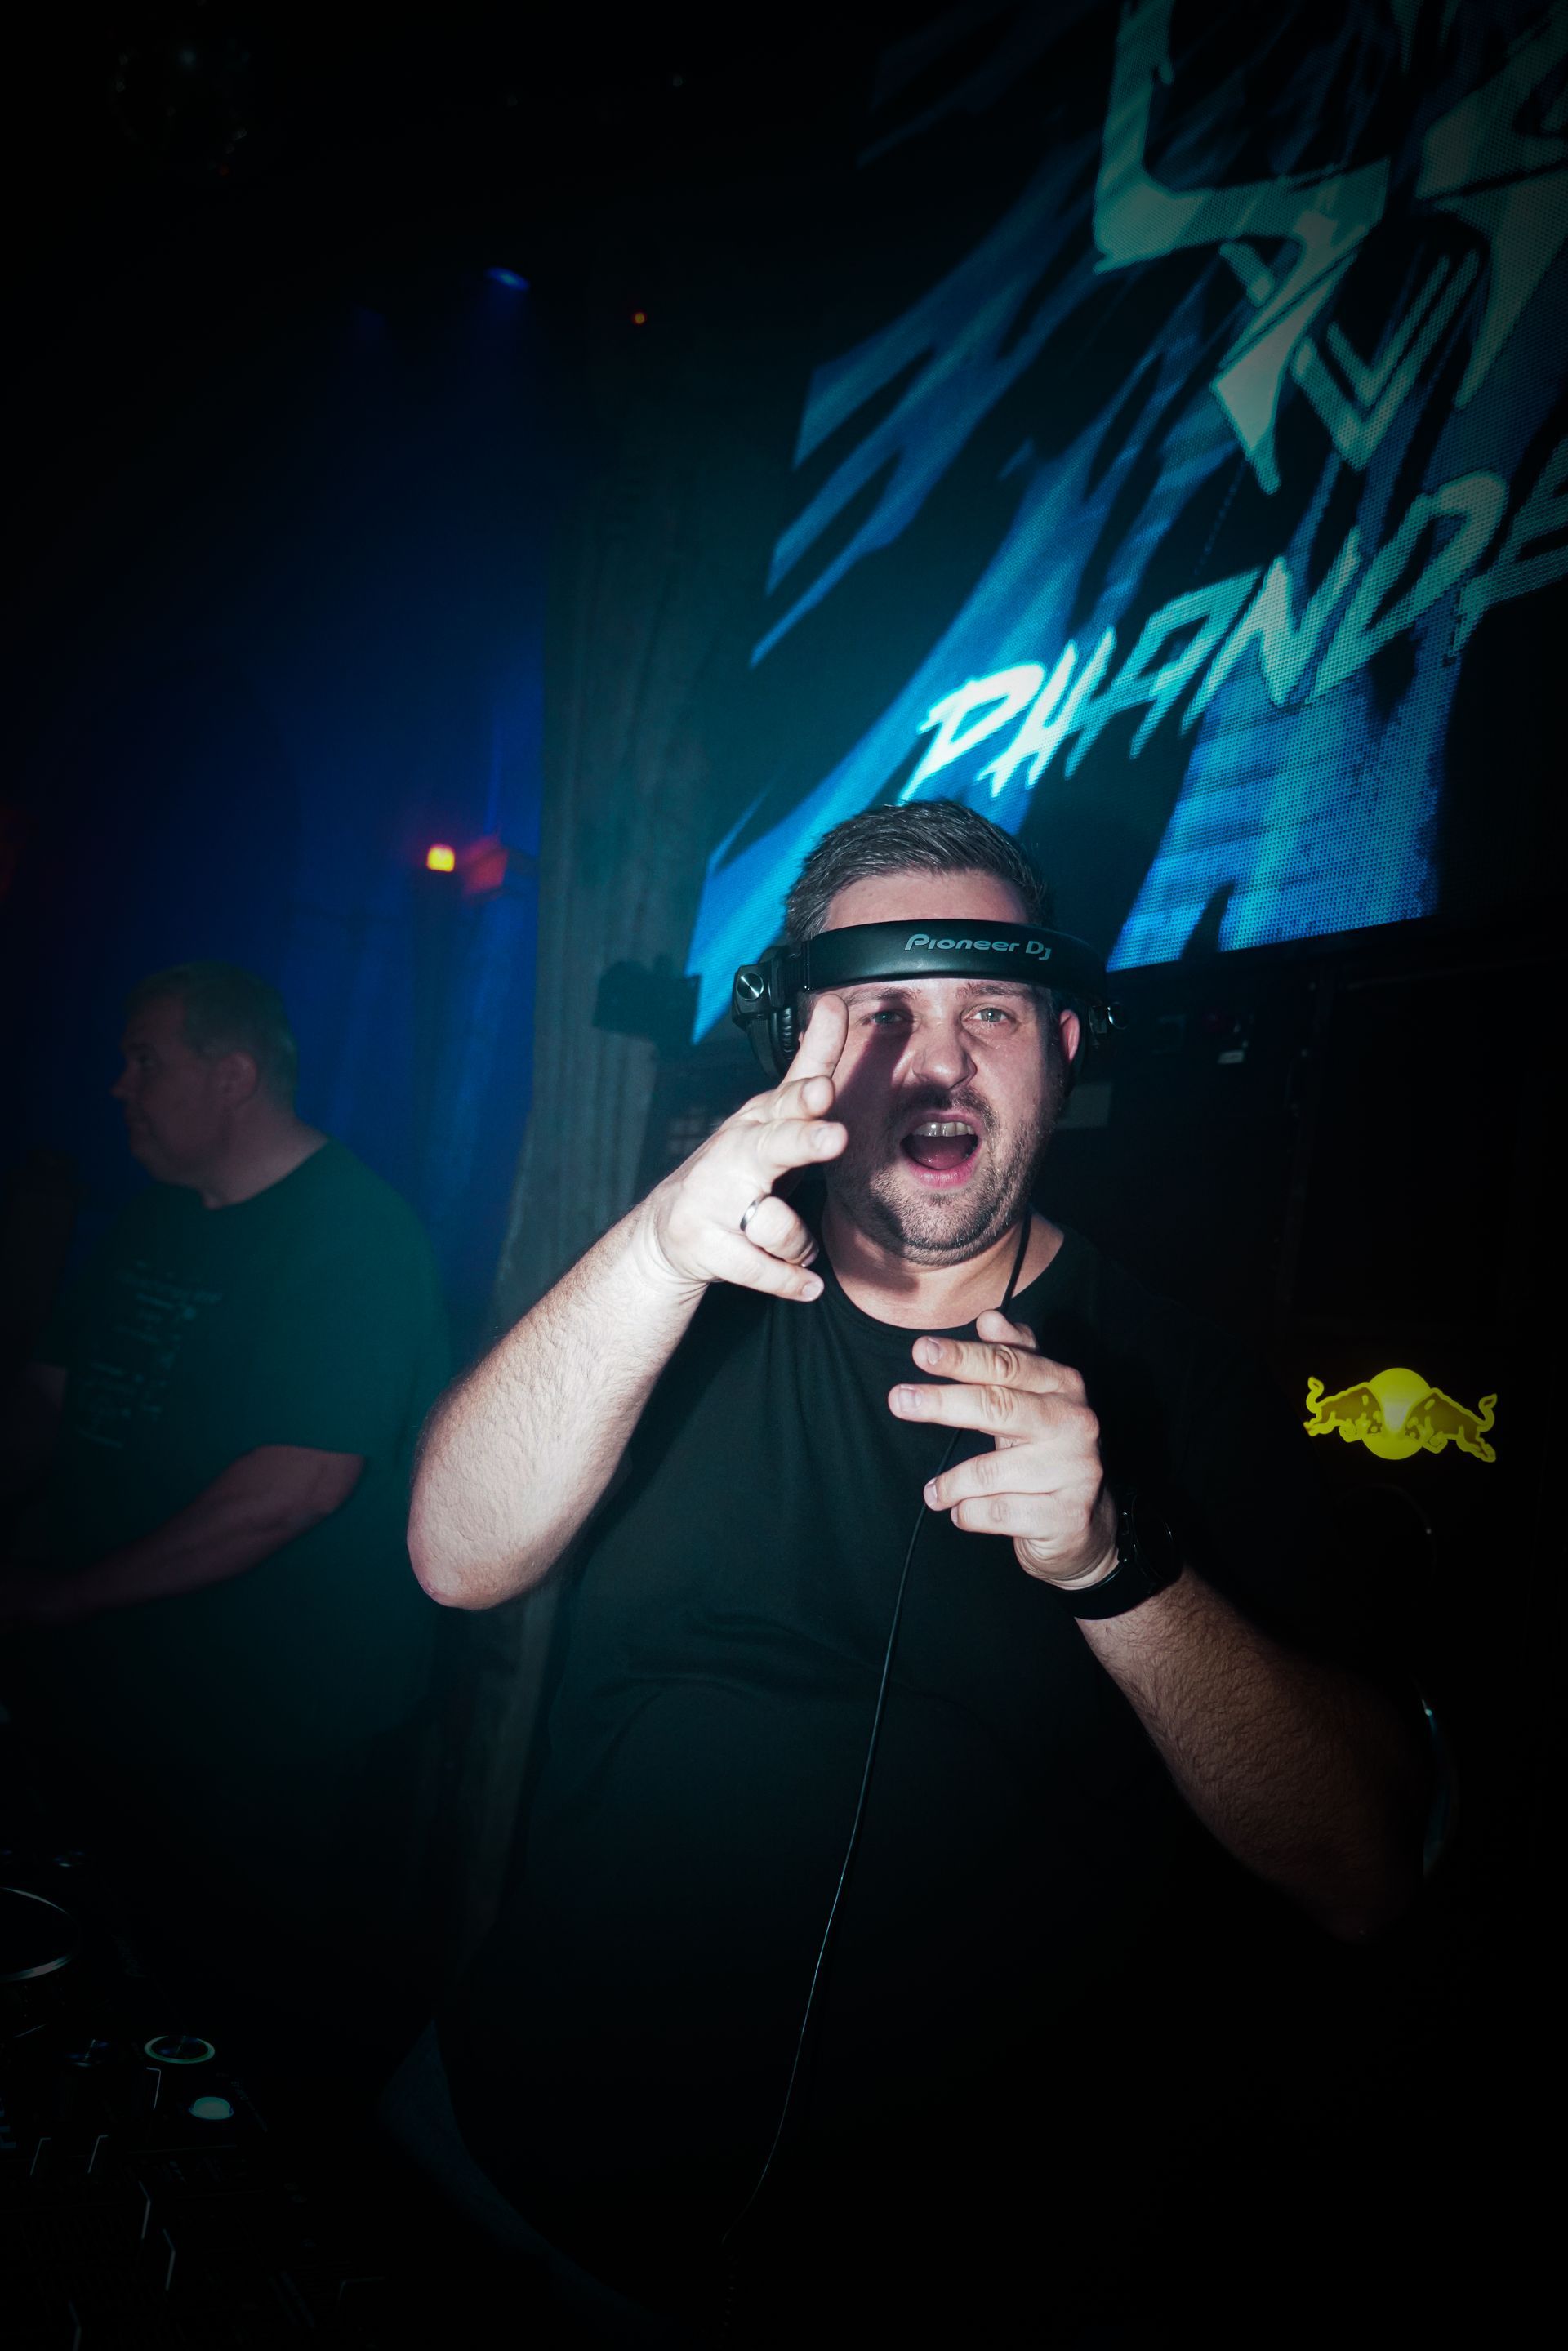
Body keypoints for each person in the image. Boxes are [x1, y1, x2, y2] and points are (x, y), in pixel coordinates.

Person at [403, 804, 1430, 2347]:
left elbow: (1361, 1868)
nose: (936, 1064)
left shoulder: (1197, 1385)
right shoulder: (663, 1302)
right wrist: (657, 1250)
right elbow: (454, 1557)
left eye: (990, 1011)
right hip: (512, 2165)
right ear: (793, 1049)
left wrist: (1117, 1569)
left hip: (942, 2280)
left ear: (1066, 1047)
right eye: (878, 1010)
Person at [0, 961, 450, 2095]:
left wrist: (57, 1595)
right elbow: (50, 1399)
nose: (119, 1086)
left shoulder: (356, 1236)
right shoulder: (150, 1216)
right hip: (107, 1702)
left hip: (263, 1744)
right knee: (79, 2014)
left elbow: (295, 1486)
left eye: (144, 1059)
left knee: (220, 2046)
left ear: (233, 1073)